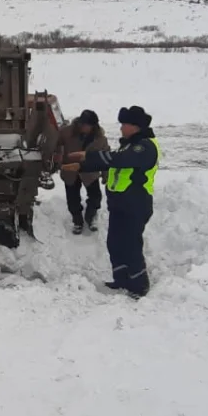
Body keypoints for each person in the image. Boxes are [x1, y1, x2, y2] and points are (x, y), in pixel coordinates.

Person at [62, 106, 159, 299]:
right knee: (115, 243)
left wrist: (87, 156)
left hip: (136, 203)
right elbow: (112, 161)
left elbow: (119, 160)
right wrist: (83, 163)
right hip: (120, 204)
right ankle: (122, 279)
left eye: (124, 124)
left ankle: (139, 285)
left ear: (135, 126)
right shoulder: (130, 144)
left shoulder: (145, 146)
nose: (121, 128)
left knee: (131, 245)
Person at [53, 109, 109, 234]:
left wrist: (106, 175)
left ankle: (91, 216)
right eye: (83, 125)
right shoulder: (66, 132)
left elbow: (105, 157)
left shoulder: (100, 138)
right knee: (72, 199)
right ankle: (77, 221)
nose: (84, 128)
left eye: (88, 125)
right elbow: (55, 145)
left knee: (95, 197)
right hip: (70, 171)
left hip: (90, 172)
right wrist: (58, 156)